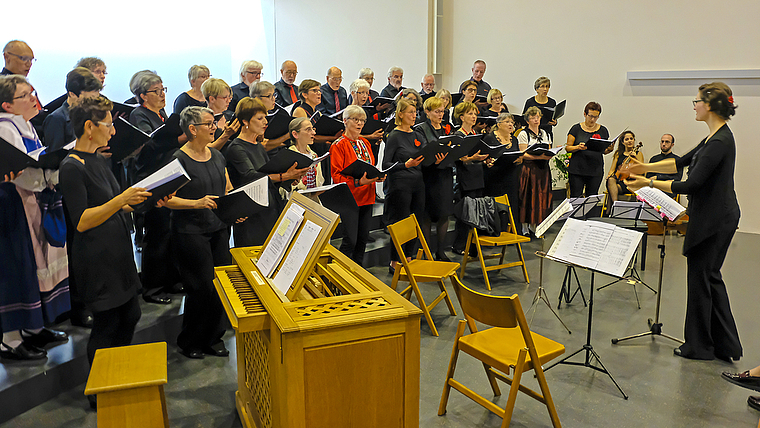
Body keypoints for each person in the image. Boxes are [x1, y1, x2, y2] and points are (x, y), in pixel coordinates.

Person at [623, 82, 741, 362]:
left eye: (697, 101)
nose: (694, 105)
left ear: (710, 105)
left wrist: (647, 182)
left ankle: (700, 347)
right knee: (709, 279)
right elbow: (681, 162)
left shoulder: (720, 141)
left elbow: (691, 184)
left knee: (702, 280)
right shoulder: (714, 137)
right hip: (715, 216)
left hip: (714, 220)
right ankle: (725, 346)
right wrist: (645, 166)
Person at [58, 96, 148, 380]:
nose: (113, 131)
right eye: (109, 124)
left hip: (117, 251)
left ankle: (116, 374)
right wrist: (121, 198)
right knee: (107, 324)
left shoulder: (97, 159)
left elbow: (113, 202)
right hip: (97, 258)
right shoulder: (71, 166)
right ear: (88, 126)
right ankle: (100, 386)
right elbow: (82, 221)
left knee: (131, 315)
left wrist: (143, 198)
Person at [0, 75, 69, 361]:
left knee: (37, 262)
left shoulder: (24, 124)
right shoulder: (5, 128)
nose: (33, 98)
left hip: (31, 200)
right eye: (25, 95)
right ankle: (10, 340)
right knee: (18, 267)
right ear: (7, 104)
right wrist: (45, 174)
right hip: (11, 204)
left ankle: (33, 327)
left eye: (32, 92)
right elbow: (19, 171)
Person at [164, 106, 241, 359]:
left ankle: (213, 337)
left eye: (214, 123)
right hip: (190, 230)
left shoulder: (217, 156)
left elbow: (226, 188)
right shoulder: (177, 159)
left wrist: (234, 209)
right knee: (200, 288)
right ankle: (191, 340)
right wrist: (195, 203)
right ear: (192, 129)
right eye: (209, 124)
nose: (215, 128)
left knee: (220, 283)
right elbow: (165, 200)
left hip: (218, 227)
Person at [225, 97, 308, 246]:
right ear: (245, 121)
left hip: (269, 209)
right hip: (251, 215)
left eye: (265, 118)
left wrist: (289, 178)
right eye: (260, 118)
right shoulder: (236, 148)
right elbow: (251, 177)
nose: (265, 122)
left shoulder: (257, 145)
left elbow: (269, 175)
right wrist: (284, 176)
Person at [129, 70, 181, 305]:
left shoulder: (161, 114)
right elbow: (148, 146)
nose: (162, 95)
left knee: (169, 233)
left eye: (163, 90)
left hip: (166, 176)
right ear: (142, 95)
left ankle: (170, 280)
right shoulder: (139, 115)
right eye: (156, 91)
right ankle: (152, 287)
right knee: (157, 236)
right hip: (151, 179)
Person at [329, 105, 385, 265]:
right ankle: (340, 273)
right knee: (350, 241)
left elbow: (370, 166)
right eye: (356, 120)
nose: (360, 123)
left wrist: (377, 176)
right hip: (350, 198)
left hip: (367, 195)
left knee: (362, 241)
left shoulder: (365, 142)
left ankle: (358, 273)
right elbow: (336, 176)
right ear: (345, 121)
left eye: (362, 120)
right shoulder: (338, 145)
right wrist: (358, 181)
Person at [384, 99, 426, 272]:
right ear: (400, 114)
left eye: (415, 112)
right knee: (400, 222)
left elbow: (425, 155)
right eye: (410, 112)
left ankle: (409, 255)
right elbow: (386, 165)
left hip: (417, 182)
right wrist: (405, 165)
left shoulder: (417, 134)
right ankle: (395, 259)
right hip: (400, 184)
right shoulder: (394, 136)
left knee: (415, 221)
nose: (414, 115)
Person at [416, 96, 453, 260]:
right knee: (427, 215)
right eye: (437, 111)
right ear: (427, 112)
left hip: (445, 173)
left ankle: (440, 250)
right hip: (429, 174)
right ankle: (426, 251)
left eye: (442, 111)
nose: (441, 114)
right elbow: (424, 149)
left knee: (444, 213)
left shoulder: (447, 127)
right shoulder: (421, 129)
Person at [451, 101, 489, 255]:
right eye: (470, 114)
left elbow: (478, 155)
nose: (474, 117)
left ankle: (473, 245)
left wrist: (486, 159)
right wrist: (471, 158)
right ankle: (459, 245)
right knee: (465, 213)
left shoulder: (475, 135)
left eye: (475, 114)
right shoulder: (458, 135)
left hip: (478, 176)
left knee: (477, 212)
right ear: (462, 117)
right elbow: (457, 159)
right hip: (465, 178)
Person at [43, 67, 102, 151]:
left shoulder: (91, 114)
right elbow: (54, 157)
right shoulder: (56, 119)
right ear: (72, 94)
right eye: (89, 99)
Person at [483, 113, 522, 235]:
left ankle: (512, 232)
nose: (511, 124)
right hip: (495, 176)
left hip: (511, 175)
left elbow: (518, 155)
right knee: (497, 205)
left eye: (512, 122)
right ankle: (497, 231)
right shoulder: (490, 138)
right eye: (507, 122)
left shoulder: (514, 139)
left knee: (512, 203)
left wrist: (520, 159)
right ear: (499, 124)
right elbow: (484, 157)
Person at [517, 106, 553, 235]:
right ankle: (525, 227)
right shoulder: (523, 133)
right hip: (529, 169)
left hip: (543, 168)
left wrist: (549, 154)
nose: (536, 119)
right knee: (528, 196)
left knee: (542, 196)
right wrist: (539, 156)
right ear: (528, 120)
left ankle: (537, 224)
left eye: (537, 117)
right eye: (533, 117)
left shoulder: (545, 133)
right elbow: (522, 153)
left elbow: (548, 149)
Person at [565, 101, 612, 197]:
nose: (592, 119)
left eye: (596, 117)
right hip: (577, 169)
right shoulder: (576, 128)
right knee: (576, 197)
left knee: (592, 197)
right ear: (584, 114)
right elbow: (568, 148)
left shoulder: (603, 130)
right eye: (590, 116)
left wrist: (609, 149)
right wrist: (578, 147)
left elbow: (603, 150)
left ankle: (591, 213)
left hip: (595, 169)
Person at [285, 117, 324, 200]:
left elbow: (319, 182)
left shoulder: (314, 155)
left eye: (313, 129)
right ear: (295, 134)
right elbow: (284, 189)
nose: (313, 132)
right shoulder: (289, 156)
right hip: (295, 202)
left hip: (312, 201)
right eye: (308, 129)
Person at [200, 78, 240, 152]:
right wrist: (226, 135)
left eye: (230, 97)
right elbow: (206, 150)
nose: (229, 101)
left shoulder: (231, 116)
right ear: (212, 99)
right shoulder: (200, 121)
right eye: (225, 97)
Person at [249, 80, 290, 151]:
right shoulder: (251, 117)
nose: (273, 99)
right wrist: (287, 136)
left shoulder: (279, 113)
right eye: (269, 96)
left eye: (274, 95)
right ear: (257, 98)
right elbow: (263, 146)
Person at [606, 130, 643, 203]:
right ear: (623, 142)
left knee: (612, 190)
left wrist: (635, 159)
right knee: (610, 180)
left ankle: (611, 209)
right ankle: (616, 205)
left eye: (631, 139)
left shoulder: (638, 154)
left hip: (630, 182)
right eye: (626, 139)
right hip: (618, 180)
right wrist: (609, 175)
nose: (629, 141)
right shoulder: (618, 154)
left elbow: (641, 171)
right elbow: (612, 170)